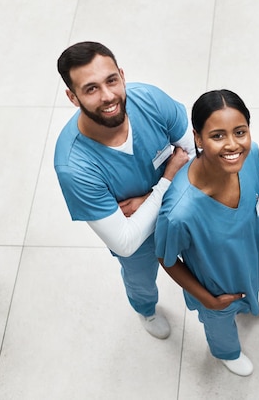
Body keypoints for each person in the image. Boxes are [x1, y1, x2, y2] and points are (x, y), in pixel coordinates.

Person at [54, 41, 193, 339]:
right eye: (91, 89)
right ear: (72, 97)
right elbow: (126, 242)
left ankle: (236, 300)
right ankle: (147, 310)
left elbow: (198, 154)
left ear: (122, 75)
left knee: (209, 258)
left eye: (111, 81)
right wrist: (170, 176)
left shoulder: (150, 100)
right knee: (140, 279)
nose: (108, 96)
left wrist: (148, 198)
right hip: (141, 244)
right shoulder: (74, 166)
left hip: (186, 209)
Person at [154, 90, 259, 377]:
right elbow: (166, 257)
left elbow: (257, 199)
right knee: (221, 321)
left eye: (240, 132)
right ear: (198, 138)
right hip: (216, 288)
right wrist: (208, 299)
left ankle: (251, 304)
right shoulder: (179, 212)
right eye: (218, 136)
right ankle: (227, 351)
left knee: (252, 290)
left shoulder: (248, 160)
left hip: (250, 262)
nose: (233, 145)